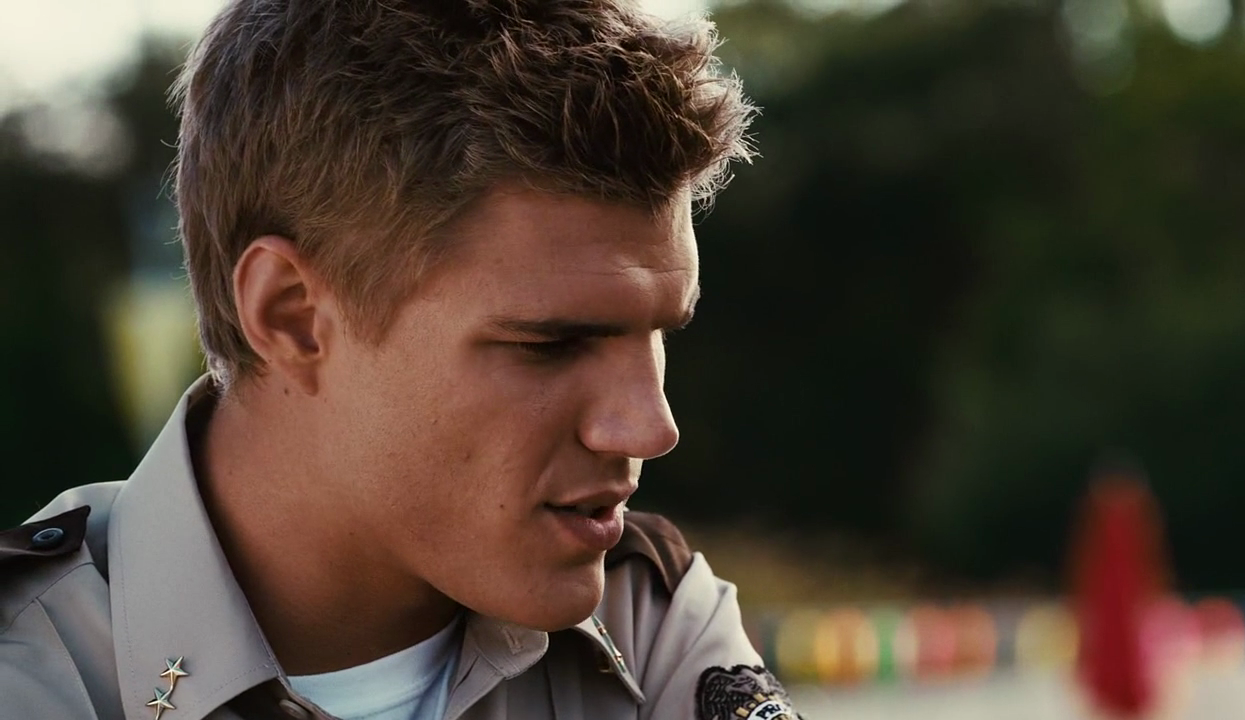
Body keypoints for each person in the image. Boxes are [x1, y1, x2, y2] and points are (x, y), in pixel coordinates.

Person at [0, 0, 799, 718]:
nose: (650, 428)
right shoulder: (28, 672)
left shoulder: (652, 623)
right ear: (292, 317)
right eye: (549, 345)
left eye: (658, 334)